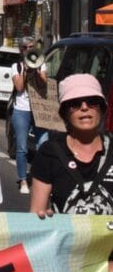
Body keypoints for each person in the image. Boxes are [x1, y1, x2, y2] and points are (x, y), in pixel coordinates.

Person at [30, 74, 113, 217]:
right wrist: (45, 221)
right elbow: (36, 213)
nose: (84, 107)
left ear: (102, 108)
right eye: (75, 103)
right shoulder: (49, 152)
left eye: (92, 102)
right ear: (64, 113)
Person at [11, 39, 47, 195]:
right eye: (25, 47)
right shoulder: (16, 66)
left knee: (43, 145)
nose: (28, 49)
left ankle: (41, 178)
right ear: (21, 50)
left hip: (39, 110)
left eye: (31, 47)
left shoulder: (41, 64)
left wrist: (37, 70)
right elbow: (19, 87)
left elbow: (44, 84)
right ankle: (23, 180)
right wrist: (25, 70)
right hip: (21, 110)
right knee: (22, 148)